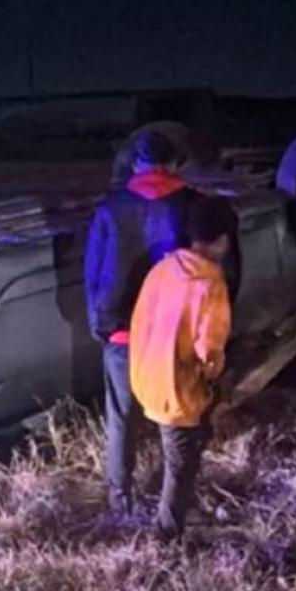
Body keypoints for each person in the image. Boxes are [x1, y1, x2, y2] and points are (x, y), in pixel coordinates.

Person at [84, 128, 199, 516]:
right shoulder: (191, 205)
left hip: (121, 329)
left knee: (121, 417)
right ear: (172, 163)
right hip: (174, 330)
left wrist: (99, 323)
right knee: (178, 416)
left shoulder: (111, 207)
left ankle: (120, 502)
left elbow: (95, 272)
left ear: (136, 163)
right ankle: (176, 501)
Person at [129, 196, 237, 539]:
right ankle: (166, 536)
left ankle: (182, 509)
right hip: (178, 388)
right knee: (181, 463)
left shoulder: (163, 269)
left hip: (147, 377)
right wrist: (213, 375)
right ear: (222, 240)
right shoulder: (210, 283)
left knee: (179, 450)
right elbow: (210, 348)